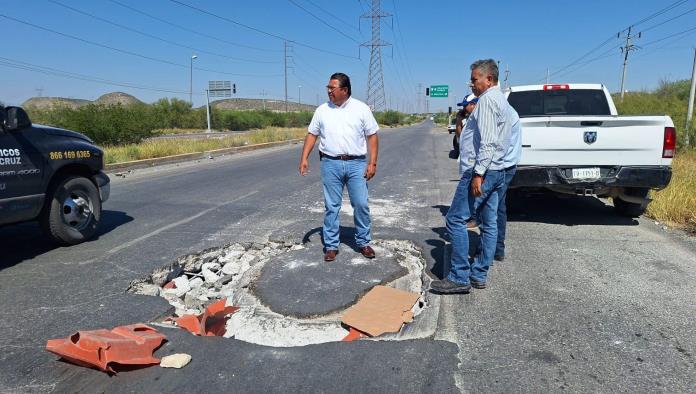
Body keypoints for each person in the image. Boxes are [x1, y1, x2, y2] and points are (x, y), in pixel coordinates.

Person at [431, 59, 515, 294]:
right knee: (489, 224)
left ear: (489, 79)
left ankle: (459, 277)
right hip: (498, 170)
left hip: (483, 172)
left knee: (455, 219)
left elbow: (488, 142)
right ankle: (479, 274)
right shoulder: (503, 101)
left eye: (475, 79)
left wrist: (478, 174)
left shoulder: (488, 100)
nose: (472, 84)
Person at [299, 72, 380, 262]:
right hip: (330, 163)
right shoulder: (322, 110)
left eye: (332, 88)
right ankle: (331, 246)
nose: (328, 91)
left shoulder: (361, 109)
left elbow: (372, 136)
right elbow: (312, 135)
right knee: (331, 206)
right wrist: (304, 158)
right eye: (328, 87)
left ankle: (363, 242)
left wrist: (372, 162)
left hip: (356, 164)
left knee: (360, 204)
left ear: (344, 90)